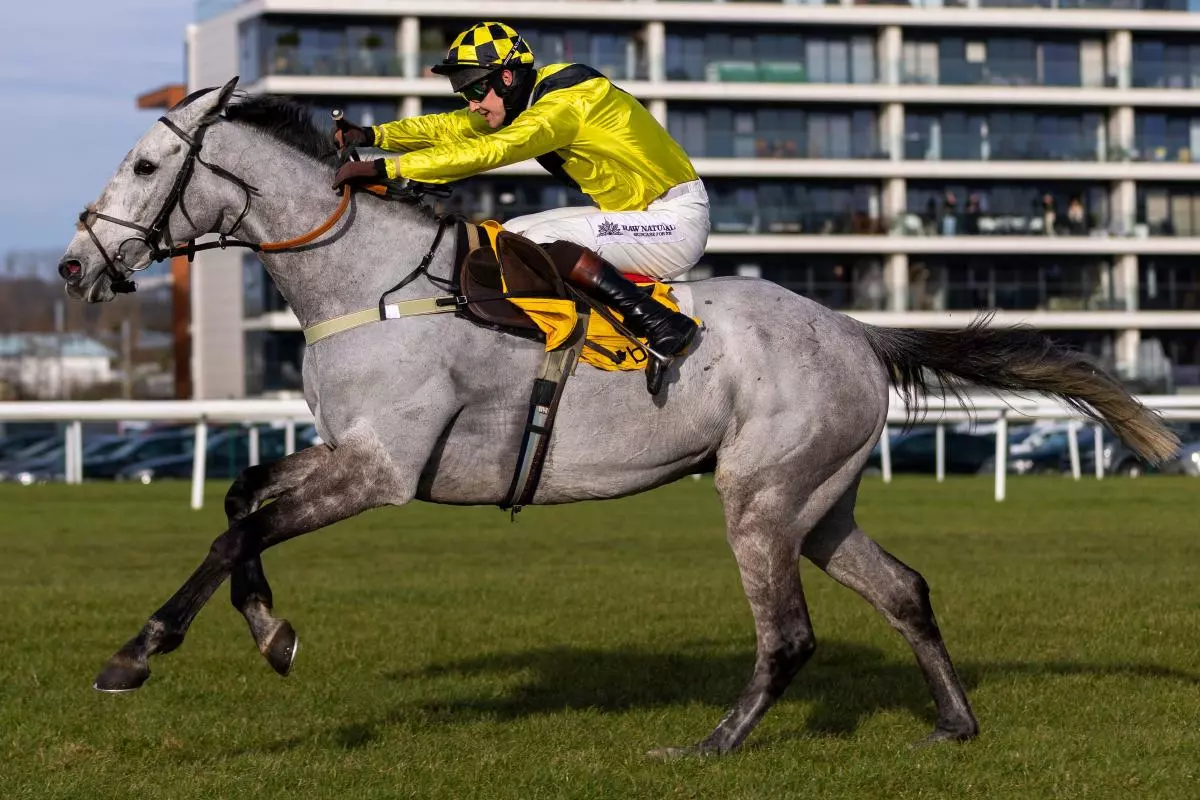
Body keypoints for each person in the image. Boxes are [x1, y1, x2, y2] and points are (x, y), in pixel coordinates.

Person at [330, 21, 703, 363]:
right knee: (513, 236)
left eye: (476, 89)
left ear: (506, 77)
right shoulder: (536, 94)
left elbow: (494, 150)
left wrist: (385, 167)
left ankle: (658, 322)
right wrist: (374, 136)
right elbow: (451, 128)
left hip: (673, 222)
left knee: (536, 243)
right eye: (464, 93)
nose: (472, 104)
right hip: (638, 216)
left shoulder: (564, 105)